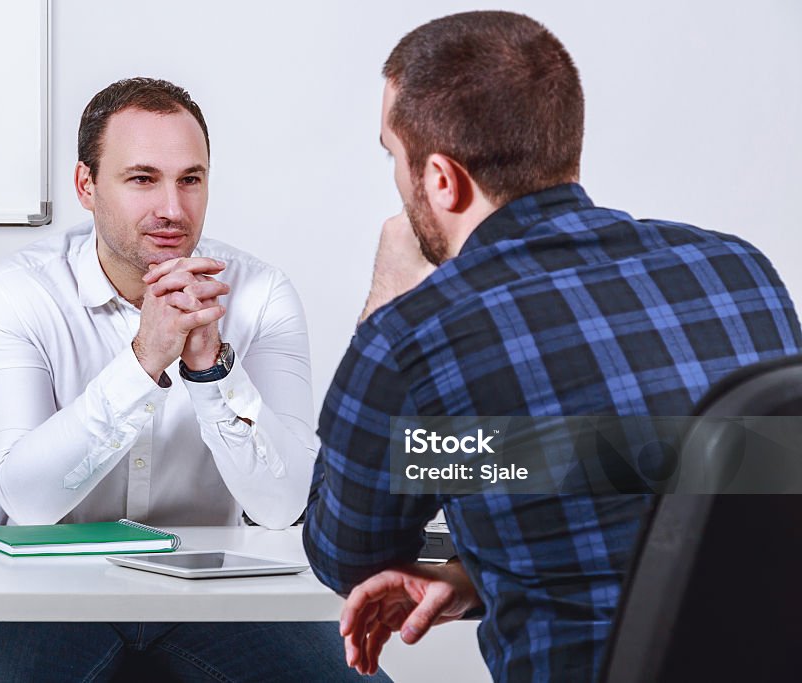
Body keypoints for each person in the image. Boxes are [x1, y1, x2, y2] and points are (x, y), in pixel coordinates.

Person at [303, 10, 801, 683]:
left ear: (442, 179)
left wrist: (388, 294)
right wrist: (489, 563)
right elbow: (739, 474)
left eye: (394, 156)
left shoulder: (418, 335)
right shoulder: (738, 270)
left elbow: (350, 554)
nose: (396, 179)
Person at [0, 77, 389, 682]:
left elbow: (283, 507)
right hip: (45, 592)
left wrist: (211, 368)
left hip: (216, 589)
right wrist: (145, 359)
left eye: (190, 179)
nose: (173, 209)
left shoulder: (261, 294)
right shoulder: (15, 294)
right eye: (143, 178)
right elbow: (27, 502)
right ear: (86, 186)